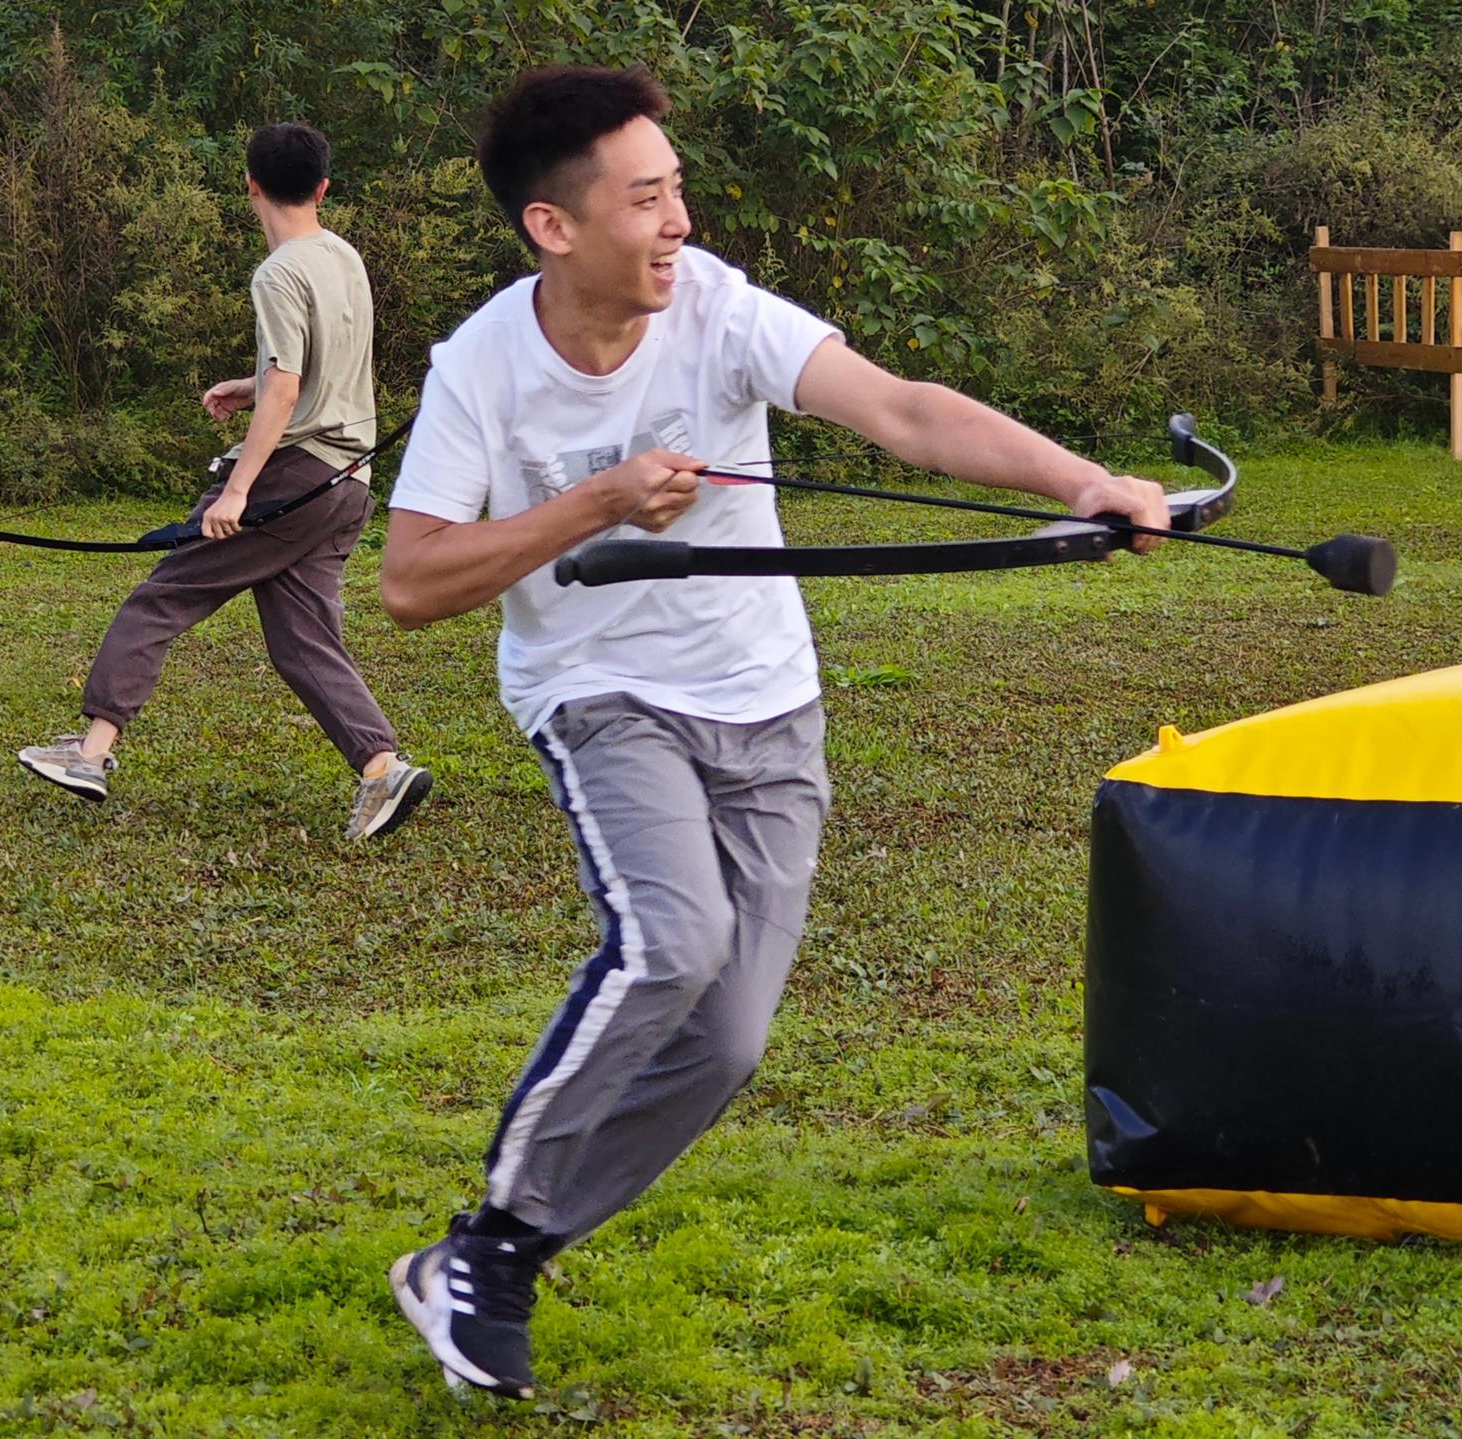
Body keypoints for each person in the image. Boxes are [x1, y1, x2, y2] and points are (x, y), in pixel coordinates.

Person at [377, 65, 1170, 1398]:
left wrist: (1085, 481)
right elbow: (412, 583)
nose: (679, 218)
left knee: (728, 1035)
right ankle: (496, 1249)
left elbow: (903, 407)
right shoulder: (483, 371)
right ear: (555, 227)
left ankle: (492, 1249)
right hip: (602, 695)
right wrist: (597, 503)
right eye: (648, 196)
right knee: (670, 941)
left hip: (767, 704)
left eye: (678, 186)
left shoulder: (719, 308)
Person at [18, 121, 431, 840]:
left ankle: (90, 753)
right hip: (351, 481)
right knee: (301, 638)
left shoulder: (277, 273)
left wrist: (238, 489)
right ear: (324, 188)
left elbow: (289, 385)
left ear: (250, 185)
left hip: (290, 478)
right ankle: (381, 769)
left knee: (164, 594)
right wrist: (249, 382)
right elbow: (309, 370)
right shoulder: (343, 257)